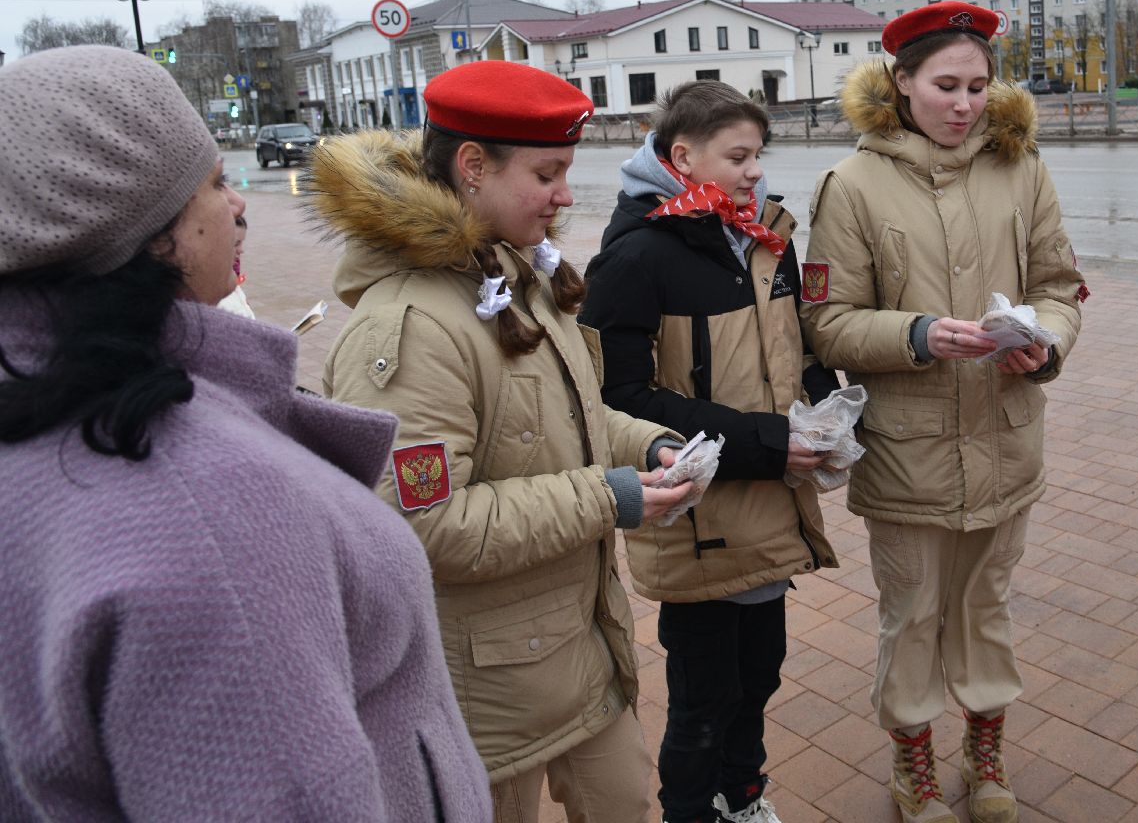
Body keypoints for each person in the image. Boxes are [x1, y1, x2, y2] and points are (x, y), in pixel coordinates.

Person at [0, 46, 488, 821]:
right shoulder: (208, 517)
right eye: (215, 184)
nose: (238, 206)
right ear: (141, 230)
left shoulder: (39, 418)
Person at [312, 61, 692, 823]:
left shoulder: (510, 271)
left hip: (579, 652)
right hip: (484, 698)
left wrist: (647, 444)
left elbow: (563, 422)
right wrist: (608, 497)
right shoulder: (413, 326)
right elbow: (424, 524)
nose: (563, 195)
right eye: (547, 173)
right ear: (473, 167)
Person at [800, 2, 1085, 823]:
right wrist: (920, 333)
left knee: (987, 605)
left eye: (978, 87)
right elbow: (828, 320)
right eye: (946, 85)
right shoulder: (852, 184)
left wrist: (1047, 343)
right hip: (907, 450)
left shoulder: (1021, 167)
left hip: (1005, 437)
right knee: (913, 613)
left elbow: (1058, 286)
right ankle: (913, 761)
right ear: (902, 83)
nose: (965, 105)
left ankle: (985, 749)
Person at [579, 82, 840, 823]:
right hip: (696, 517)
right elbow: (620, 401)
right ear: (682, 155)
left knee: (760, 675)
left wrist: (826, 413)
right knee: (701, 700)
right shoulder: (636, 257)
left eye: (759, 155)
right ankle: (689, 813)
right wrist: (768, 443)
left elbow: (797, 350)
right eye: (739, 156)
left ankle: (742, 797)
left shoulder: (763, 238)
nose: (755, 172)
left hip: (771, 500)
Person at [217, 211, 255, 318]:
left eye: (241, 243)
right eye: (236, 243)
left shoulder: (229, 276)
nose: (241, 250)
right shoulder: (211, 295)